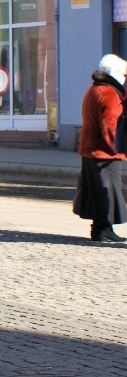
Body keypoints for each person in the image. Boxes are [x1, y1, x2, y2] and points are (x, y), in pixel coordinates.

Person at [73, 54, 127, 242]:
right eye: (123, 73)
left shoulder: (94, 89)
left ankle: (99, 229)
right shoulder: (109, 92)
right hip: (105, 153)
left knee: (97, 191)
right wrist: (119, 147)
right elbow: (110, 125)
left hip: (91, 149)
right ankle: (104, 229)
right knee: (107, 192)